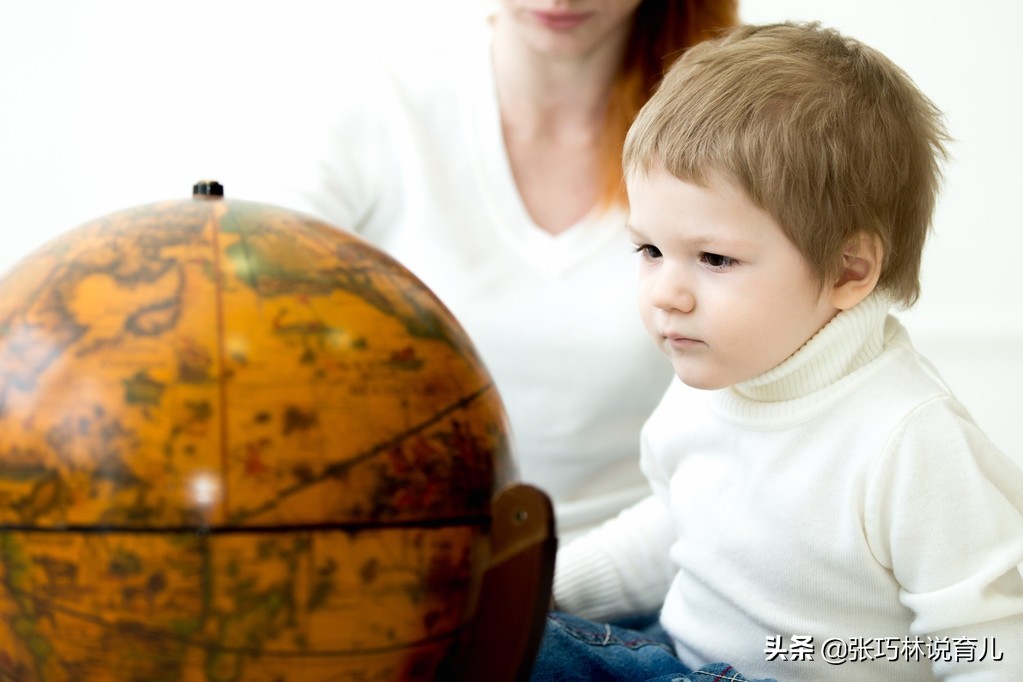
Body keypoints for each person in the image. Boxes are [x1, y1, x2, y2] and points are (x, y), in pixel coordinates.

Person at [534, 21, 1023, 682]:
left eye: (713, 258)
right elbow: (681, 529)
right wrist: (547, 590)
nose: (666, 294)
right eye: (649, 250)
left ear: (849, 271)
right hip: (673, 655)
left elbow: (989, 644)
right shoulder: (711, 377)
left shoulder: (907, 439)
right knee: (505, 636)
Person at [240, 1, 739, 543]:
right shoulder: (375, 108)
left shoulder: (738, 133)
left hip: (650, 574)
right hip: (405, 564)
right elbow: (242, 307)